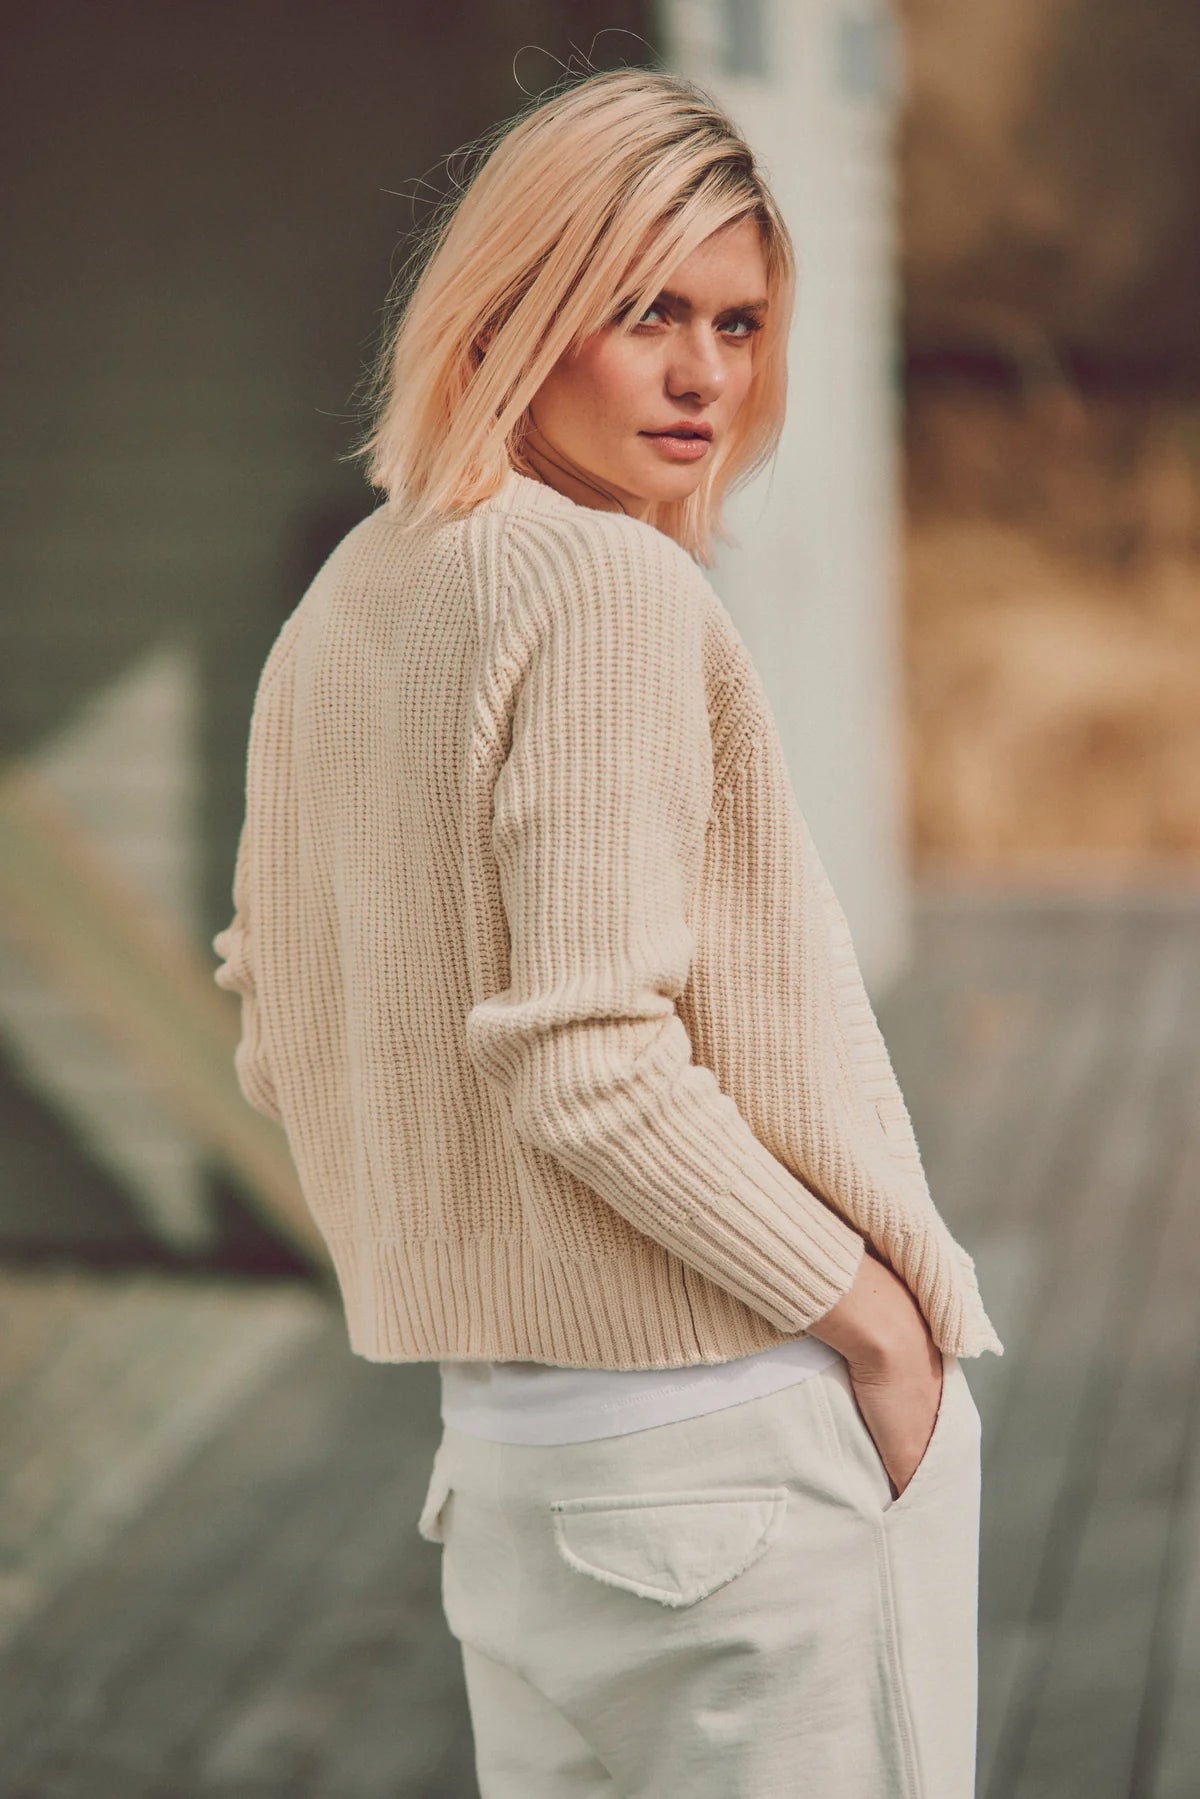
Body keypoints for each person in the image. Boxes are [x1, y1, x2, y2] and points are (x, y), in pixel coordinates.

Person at [212, 62, 1004, 1798]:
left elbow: (280, 1020)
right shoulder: (606, 590)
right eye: (648, 311)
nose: (704, 375)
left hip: (511, 1468)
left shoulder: (355, 591)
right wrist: (871, 1320)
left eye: (737, 322)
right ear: (519, 307)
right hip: (739, 1435)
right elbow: (590, 1064)